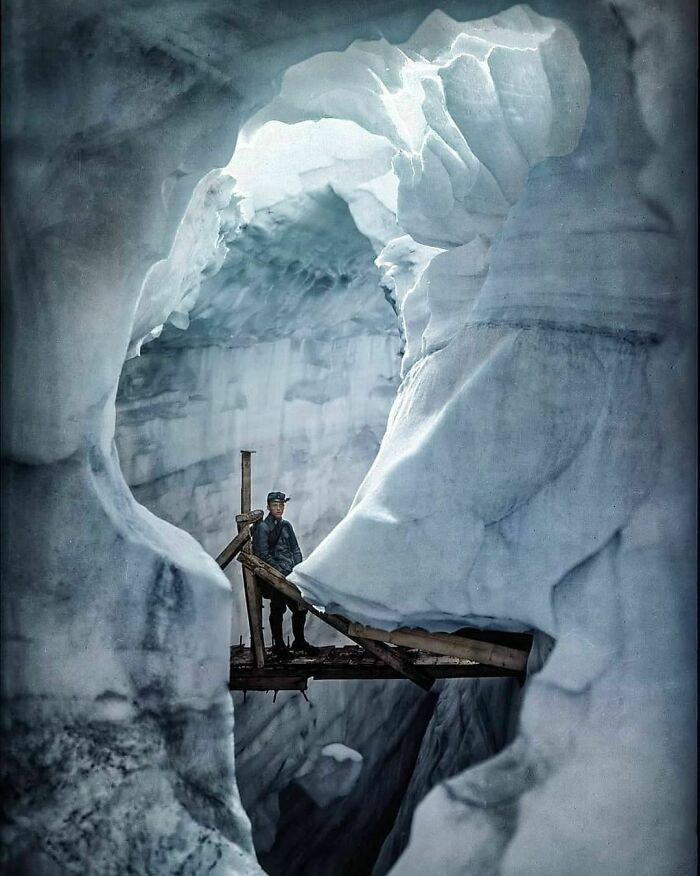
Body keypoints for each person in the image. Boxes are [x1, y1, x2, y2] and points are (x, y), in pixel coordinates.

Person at [252, 491, 319, 657]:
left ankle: (299, 642)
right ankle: (279, 645)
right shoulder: (263, 528)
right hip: (272, 577)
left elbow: (295, 549)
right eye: (275, 505)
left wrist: (297, 568)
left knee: (301, 607)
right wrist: (278, 572)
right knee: (278, 608)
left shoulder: (286, 525)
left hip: (290, 575)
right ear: (268, 507)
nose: (278, 508)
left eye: (281, 505)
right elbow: (263, 555)